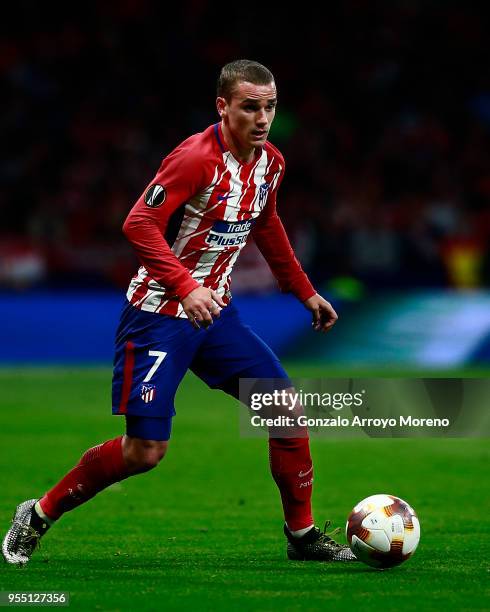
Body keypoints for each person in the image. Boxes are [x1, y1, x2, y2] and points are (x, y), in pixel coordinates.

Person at [2, 60, 356, 565]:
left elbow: (268, 224)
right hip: (159, 314)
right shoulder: (194, 158)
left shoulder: (271, 163)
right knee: (144, 453)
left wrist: (304, 291)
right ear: (223, 107)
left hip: (215, 315)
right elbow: (138, 223)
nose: (262, 118)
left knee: (285, 409)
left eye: (270, 107)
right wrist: (187, 286)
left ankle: (301, 536)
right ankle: (38, 513)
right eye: (250, 107)